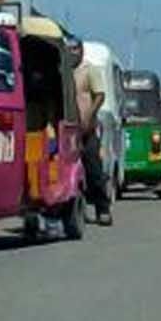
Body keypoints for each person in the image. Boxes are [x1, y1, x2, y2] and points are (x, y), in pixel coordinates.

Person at [68, 35, 113, 226]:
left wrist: (89, 116)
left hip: (87, 129)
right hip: (68, 129)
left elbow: (100, 95)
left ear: (81, 50)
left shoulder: (89, 70)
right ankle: (75, 210)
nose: (73, 53)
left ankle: (103, 209)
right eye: (69, 49)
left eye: (75, 49)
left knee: (93, 168)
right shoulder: (64, 71)